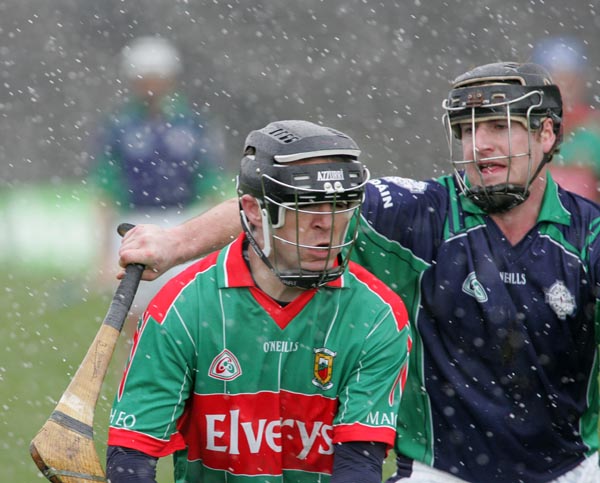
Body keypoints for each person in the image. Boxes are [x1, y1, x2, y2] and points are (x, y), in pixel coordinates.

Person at [117, 62, 600, 482]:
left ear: (547, 133)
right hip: (440, 471)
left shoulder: (591, 238)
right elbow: (279, 196)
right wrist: (173, 244)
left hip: (575, 468)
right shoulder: (421, 212)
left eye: (498, 126)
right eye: (467, 130)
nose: (479, 145)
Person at [106, 120, 412, 483]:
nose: (327, 224)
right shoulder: (182, 308)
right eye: (307, 205)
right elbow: (132, 457)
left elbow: (359, 466)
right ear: (253, 210)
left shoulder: (377, 315)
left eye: (341, 204)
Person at [88, 35, 224, 308]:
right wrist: (101, 256)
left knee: (188, 309)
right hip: (133, 223)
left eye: (156, 77)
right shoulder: (119, 127)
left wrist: (217, 245)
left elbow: (210, 187)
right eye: (143, 78)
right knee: (133, 310)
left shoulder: (193, 125)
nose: (150, 86)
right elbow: (105, 192)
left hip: (184, 222)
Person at [533, 36, 600, 201]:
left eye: (570, 80)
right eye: (556, 79)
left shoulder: (595, 129)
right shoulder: (526, 130)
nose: (564, 87)